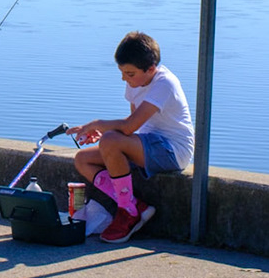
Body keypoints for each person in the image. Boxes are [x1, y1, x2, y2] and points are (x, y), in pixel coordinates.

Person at [70, 31, 192, 244]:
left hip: (172, 151)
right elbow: (135, 121)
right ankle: (135, 205)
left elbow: (129, 127)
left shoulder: (165, 84)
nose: (124, 78)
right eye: (122, 72)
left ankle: (128, 213)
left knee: (110, 139)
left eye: (130, 73)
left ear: (151, 69)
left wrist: (100, 125)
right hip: (148, 143)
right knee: (83, 159)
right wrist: (107, 134)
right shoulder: (136, 82)